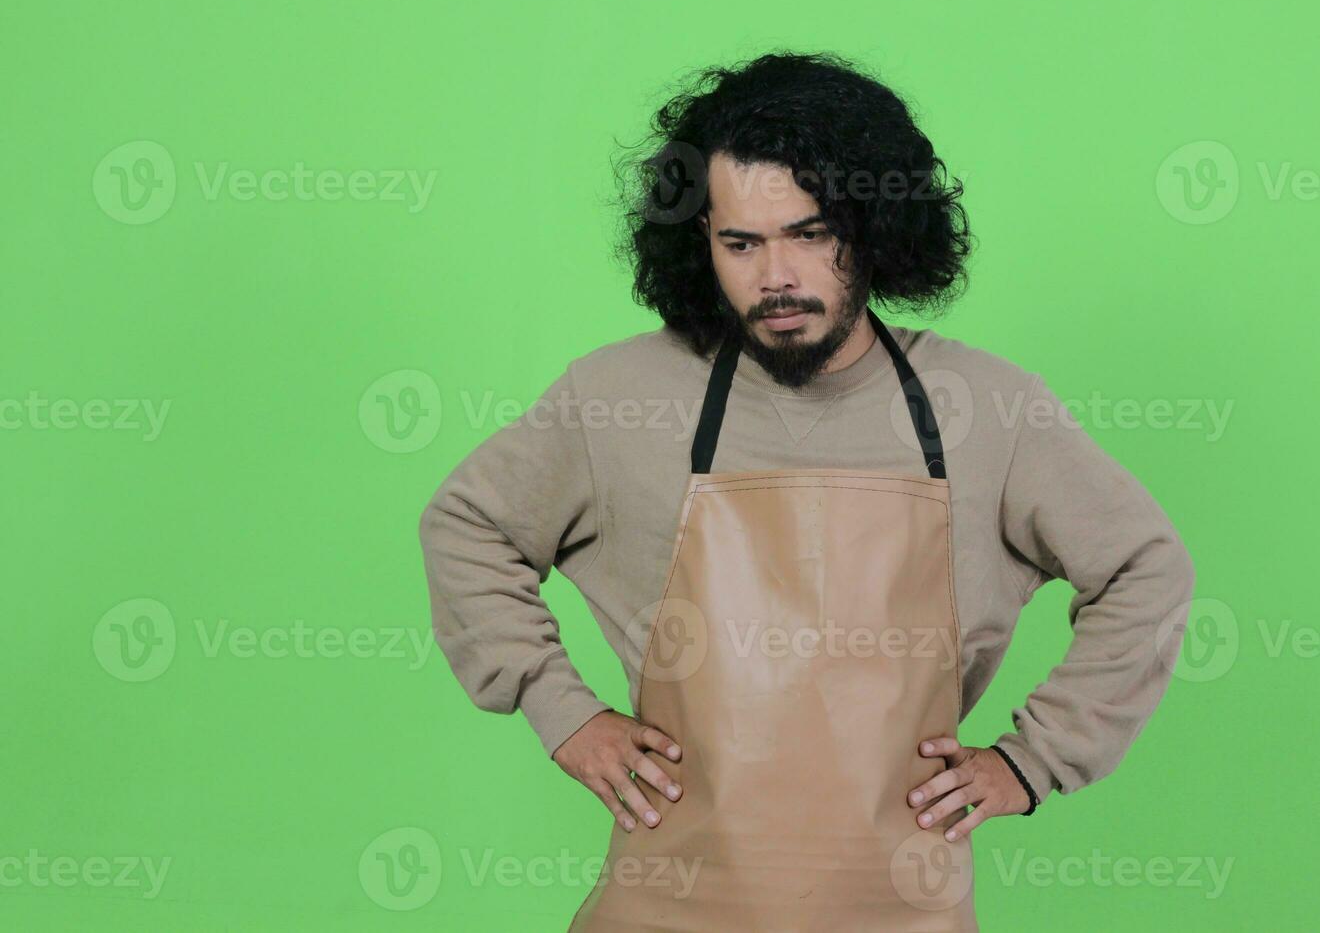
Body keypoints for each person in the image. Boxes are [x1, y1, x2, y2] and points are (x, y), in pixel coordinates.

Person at [417, 51, 1195, 931]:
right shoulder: (618, 400)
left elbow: (1145, 566)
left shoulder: (991, 414)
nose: (776, 276)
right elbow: (466, 524)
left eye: (810, 233)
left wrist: (1033, 761)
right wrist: (562, 712)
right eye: (740, 242)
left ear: (874, 228)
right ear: (698, 240)